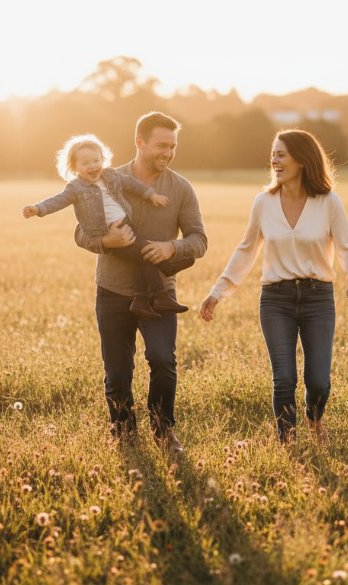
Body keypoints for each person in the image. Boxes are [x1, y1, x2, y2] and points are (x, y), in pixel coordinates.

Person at [200, 129, 348, 443]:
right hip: (275, 300)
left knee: (319, 382)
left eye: (281, 154)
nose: (274, 160)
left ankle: (314, 420)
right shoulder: (263, 202)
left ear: (302, 160)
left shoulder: (328, 202)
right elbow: (246, 250)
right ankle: (286, 439)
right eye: (273, 154)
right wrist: (218, 292)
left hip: (318, 299)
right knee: (284, 379)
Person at [73, 113, 207, 452]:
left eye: (173, 146)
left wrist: (172, 247)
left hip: (160, 293)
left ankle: (164, 431)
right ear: (139, 142)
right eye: (161, 145)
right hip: (113, 291)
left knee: (163, 359)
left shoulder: (180, 188)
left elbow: (199, 239)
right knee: (117, 371)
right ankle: (124, 433)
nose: (168, 152)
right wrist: (106, 243)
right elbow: (80, 232)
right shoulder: (104, 180)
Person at [23, 134, 194, 319]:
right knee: (147, 254)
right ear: (74, 167)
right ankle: (164, 281)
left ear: (103, 160)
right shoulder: (76, 188)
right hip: (110, 234)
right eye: (86, 163)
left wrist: (151, 195)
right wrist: (38, 209)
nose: (93, 166)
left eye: (96, 160)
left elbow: (131, 184)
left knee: (142, 258)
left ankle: (141, 300)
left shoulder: (111, 175)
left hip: (127, 225)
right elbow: (58, 201)